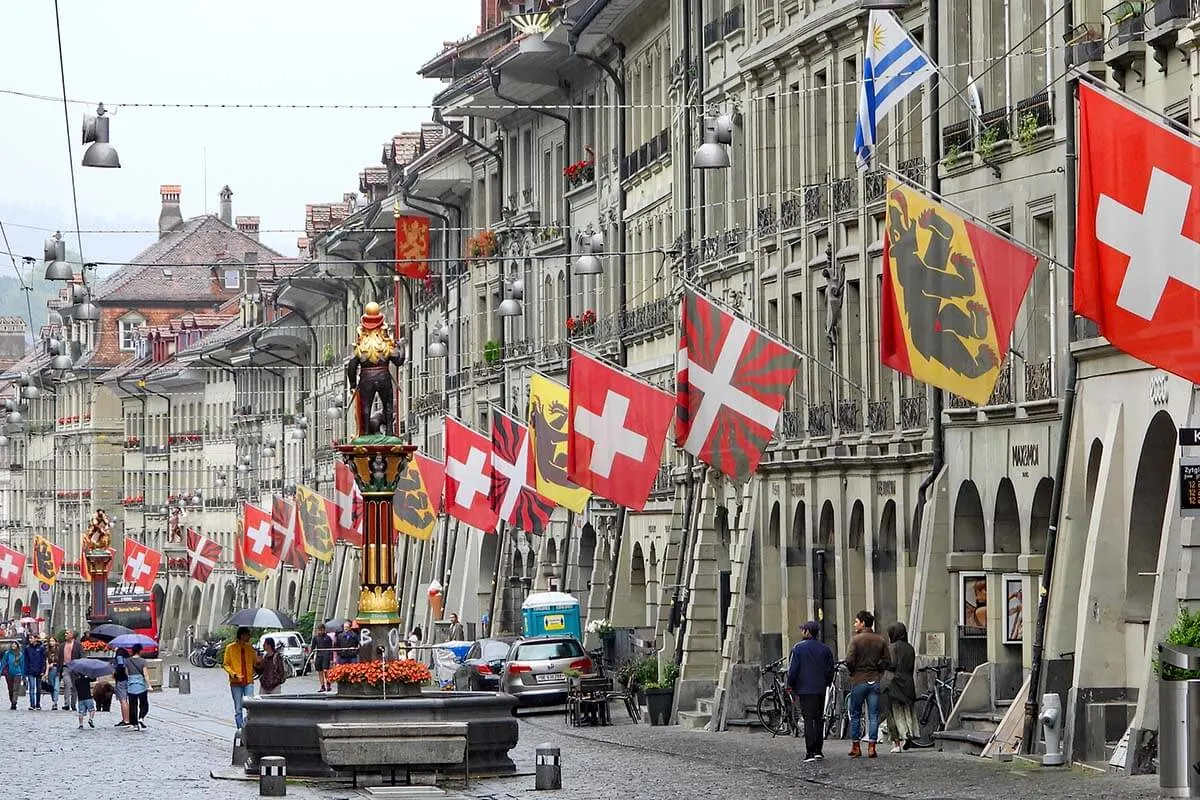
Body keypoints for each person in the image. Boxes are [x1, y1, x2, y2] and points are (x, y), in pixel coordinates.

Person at [844, 610, 892, 758]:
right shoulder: (880, 640)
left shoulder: (855, 640)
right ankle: (872, 747)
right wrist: (878, 672)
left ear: (863, 623)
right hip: (874, 680)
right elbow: (887, 661)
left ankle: (856, 746)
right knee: (873, 715)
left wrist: (853, 672)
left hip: (859, 680)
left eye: (857, 621)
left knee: (856, 714)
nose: (855, 624)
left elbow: (849, 660)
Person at [786, 620, 836, 762]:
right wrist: (826, 683)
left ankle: (810, 751)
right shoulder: (825, 649)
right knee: (818, 719)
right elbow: (829, 670)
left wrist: (791, 685)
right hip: (820, 689)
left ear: (807, 632)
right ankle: (819, 750)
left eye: (803, 630)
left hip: (805, 689)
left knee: (808, 720)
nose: (802, 632)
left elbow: (793, 670)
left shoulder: (798, 648)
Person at [883, 621, 918, 753]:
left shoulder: (893, 648)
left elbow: (891, 664)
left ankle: (896, 743)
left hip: (894, 683)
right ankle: (908, 734)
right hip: (908, 682)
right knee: (908, 711)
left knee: (893, 713)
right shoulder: (910, 648)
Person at [224, 626, 262, 730]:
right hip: (236, 682)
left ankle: (249, 727)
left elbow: (256, 664)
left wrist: (259, 661)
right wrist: (234, 674)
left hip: (248, 680)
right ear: (242, 635)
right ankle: (240, 729)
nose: (249, 636)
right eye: (248, 634)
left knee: (250, 705)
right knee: (238, 707)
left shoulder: (250, 648)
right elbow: (226, 664)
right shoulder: (230, 648)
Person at [125, 644, 150, 731]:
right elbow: (146, 674)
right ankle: (141, 717)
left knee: (133, 705)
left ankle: (134, 724)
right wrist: (149, 685)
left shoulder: (127, 661)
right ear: (140, 651)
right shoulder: (143, 661)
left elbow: (127, 673)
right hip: (141, 685)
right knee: (144, 704)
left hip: (131, 685)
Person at [22, 635, 46, 710]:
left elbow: (43, 660)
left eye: (31, 638)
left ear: (36, 639)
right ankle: (32, 704)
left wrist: (43, 670)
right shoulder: (27, 648)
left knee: (38, 688)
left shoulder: (41, 648)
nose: (30, 640)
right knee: (31, 688)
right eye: (29, 638)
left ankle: (38, 704)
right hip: (30, 670)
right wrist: (26, 671)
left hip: (39, 670)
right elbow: (26, 660)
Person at [61, 630, 82, 712]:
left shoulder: (78, 645)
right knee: (67, 684)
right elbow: (60, 657)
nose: (65, 635)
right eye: (65, 633)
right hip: (65, 667)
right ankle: (66, 704)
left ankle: (73, 704)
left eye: (67, 633)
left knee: (75, 687)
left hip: (75, 668)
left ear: (72, 635)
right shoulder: (62, 645)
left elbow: (82, 656)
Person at [311, 624, 334, 693]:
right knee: (320, 671)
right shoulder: (315, 638)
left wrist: (331, 659)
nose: (319, 632)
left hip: (326, 656)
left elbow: (331, 649)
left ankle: (328, 684)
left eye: (321, 630)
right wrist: (312, 658)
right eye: (318, 630)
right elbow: (313, 648)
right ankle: (322, 686)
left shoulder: (328, 638)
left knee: (325, 671)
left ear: (324, 630)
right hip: (319, 656)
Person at [112, 647, 131, 727]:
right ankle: (128, 718)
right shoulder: (125, 652)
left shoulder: (119, 653)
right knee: (126, 700)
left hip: (121, 679)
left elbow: (121, 665)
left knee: (123, 700)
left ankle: (126, 720)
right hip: (127, 679)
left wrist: (115, 673)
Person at [1, 641, 22, 710]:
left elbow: (22, 664)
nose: (13, 646)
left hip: (17, 673)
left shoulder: (20, 654)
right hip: (9, 673)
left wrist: (23, 674)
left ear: (17, 646)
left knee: (15, 689)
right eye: (12, 645)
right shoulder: (7, 653)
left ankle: (14, 702)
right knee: (10, 689)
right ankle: (12, 701)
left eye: (15, 645)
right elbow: (3, 662)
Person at [44, 635, 62, 711]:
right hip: (50, 671)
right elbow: (46, 661)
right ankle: (53, 700)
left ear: (56, 642)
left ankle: (55, 702)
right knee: (51, 687)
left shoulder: (59, 650)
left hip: (57, 670)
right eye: (50, 641)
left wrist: (54, 664)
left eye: (53, 641)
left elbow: (61, 661)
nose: (51, 643)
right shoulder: (47, 651)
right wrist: (46, 672)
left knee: (56, 687)